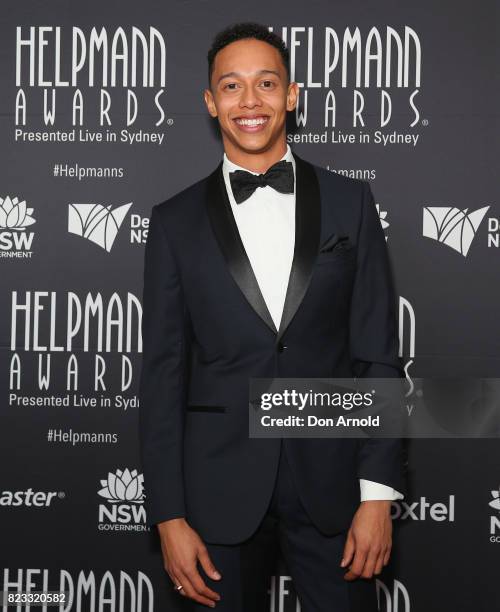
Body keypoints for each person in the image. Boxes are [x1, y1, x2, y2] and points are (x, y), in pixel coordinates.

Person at [139, 21, 406, 611]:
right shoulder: (174, 221)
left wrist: (378, 495)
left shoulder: (350, 203)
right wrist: (168, 515)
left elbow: (378, 356)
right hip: (215, 493)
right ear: (211, 103)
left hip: (335, 489)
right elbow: (161, 377)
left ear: (292, 94)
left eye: (266, 83)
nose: (249, 101)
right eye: (231, 87)